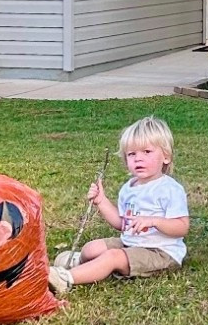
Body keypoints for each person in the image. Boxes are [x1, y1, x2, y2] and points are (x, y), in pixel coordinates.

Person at [48, 116, 189, 294]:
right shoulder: (128, 189)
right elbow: (121, 224)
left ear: (166, 157)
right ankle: (82, 264)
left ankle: (66, 279)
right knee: (91, 248)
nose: (138, 159)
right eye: (132, 154)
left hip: (160, 253)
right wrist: (102, 201)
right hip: (129, 243)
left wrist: (154, 221)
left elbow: (182, 227)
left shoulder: (169, 189)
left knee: (112, 257)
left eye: (147, 152)